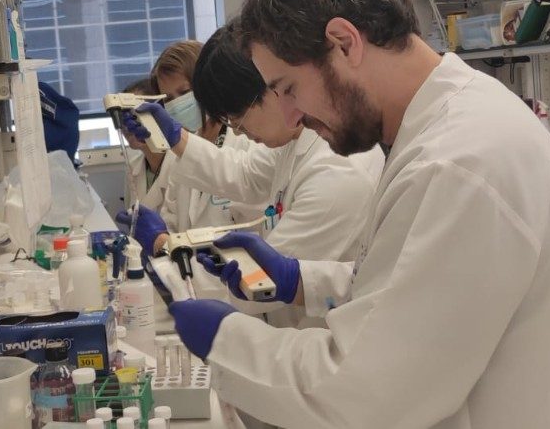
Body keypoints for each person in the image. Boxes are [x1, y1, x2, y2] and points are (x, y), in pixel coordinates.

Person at [165, 0, 550, 428]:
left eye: (288, 88)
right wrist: (305, 283)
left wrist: (226, 340)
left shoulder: (458, 160)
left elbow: (368, 391)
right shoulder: (441, 124)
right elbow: (422, 290)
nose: (291, 113)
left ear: (344, 43)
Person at [121, 23, 383, 330]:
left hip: (323, 337)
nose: (237, 129)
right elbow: (242, 174)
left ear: (272, 89)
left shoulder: (338, 173)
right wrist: (178, 137)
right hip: (286, 329)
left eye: (238, 117)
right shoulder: (294, 143)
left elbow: (265, 278)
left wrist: (164, 255)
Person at [146, 40, 263, 233]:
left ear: (205, 84)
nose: (177, 104)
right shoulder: (178, 153)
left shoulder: (247, 141)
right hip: (188, 262)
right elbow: (171, 222)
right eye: (168, 99)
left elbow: (258, 220)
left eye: (184, 93)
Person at [120, 78, 169, 211]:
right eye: (123, 115)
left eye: (135, 114)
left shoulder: (181, 165)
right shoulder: (133, 167)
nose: (127, 124)